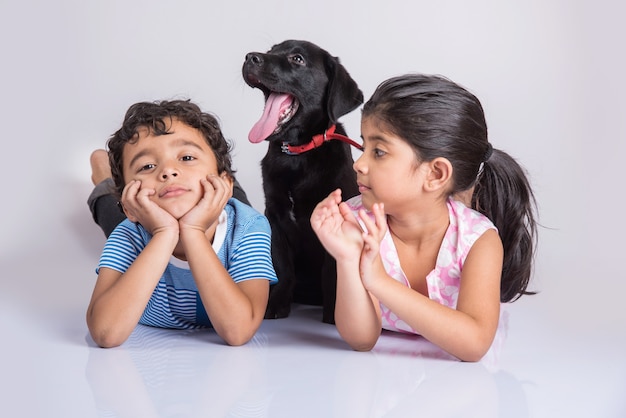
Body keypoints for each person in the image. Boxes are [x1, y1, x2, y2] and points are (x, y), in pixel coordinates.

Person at [310, 74, 537, 362]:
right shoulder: (357, 224)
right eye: (363, 147)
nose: (359, 163)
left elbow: (474, 344)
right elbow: (362, 340)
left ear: (435, 174)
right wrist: (346, 258)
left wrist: (379, 281)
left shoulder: (477, 240)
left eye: (378, 152)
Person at [86, 99, 277, 348]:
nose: (168, 171)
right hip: (148, 218)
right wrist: (164, 233)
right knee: (109, 209)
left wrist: (193, 231)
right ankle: (104, 176)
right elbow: (105, 333)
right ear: (130, 209)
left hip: (222, 204)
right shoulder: (129, 233)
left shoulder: (249, 227)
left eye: (186, 156)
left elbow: (238, 331)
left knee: (222, 189)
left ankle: (223, 180)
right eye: (147, 166)